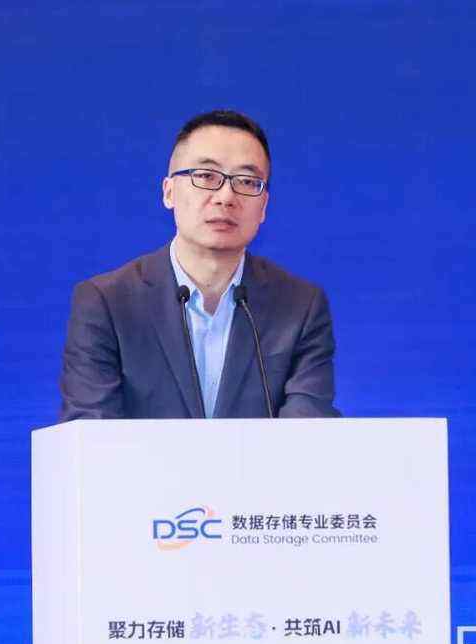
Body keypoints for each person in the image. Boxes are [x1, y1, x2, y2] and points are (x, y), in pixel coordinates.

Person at [58, 110, 339, 420]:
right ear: (168, 192)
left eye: (247, 181)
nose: (225, 197)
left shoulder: (301, 306)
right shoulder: (107, 302)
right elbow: (90, 427)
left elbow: (307, 430)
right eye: (206, 176)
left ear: (263, 207)